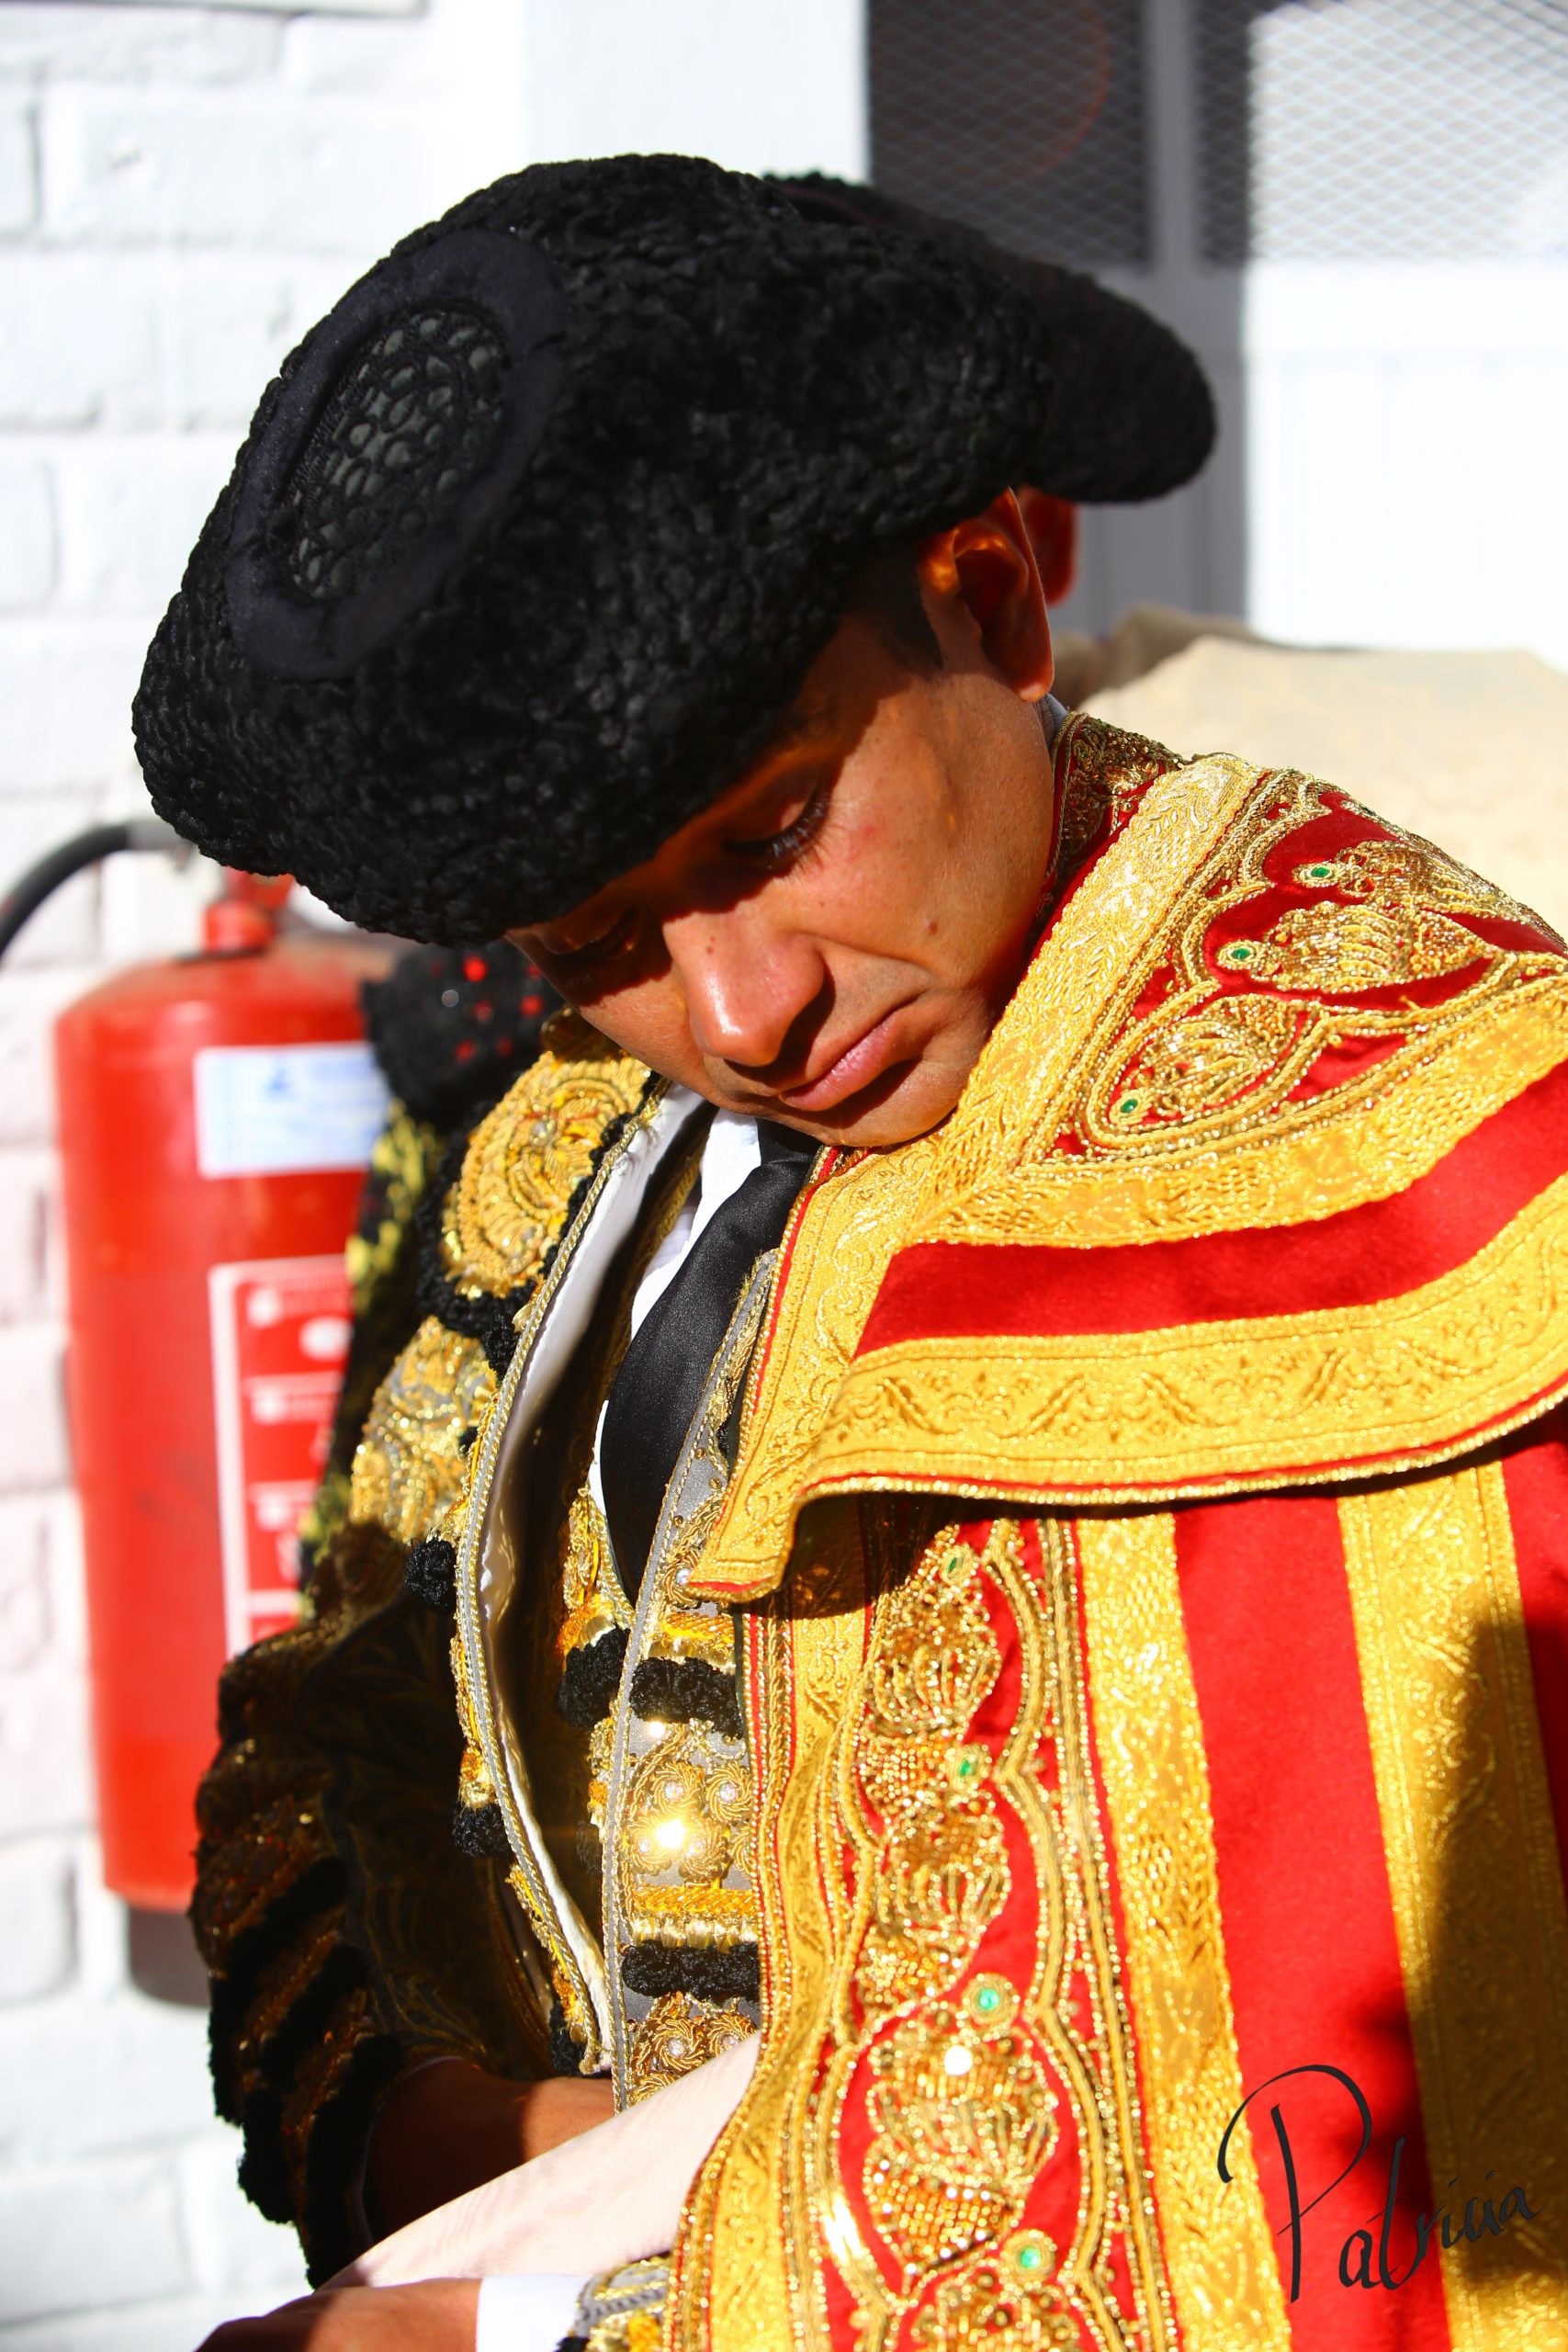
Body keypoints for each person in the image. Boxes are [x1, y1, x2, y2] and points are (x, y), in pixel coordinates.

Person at [135, 155, 1568, 2349]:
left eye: (776, 830)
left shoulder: (1392, 1136)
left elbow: (1239, 2168)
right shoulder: (570, 1136)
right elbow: (347, 1721)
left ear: (992, 595)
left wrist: (506, 2317)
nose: (740, 1010)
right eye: (596, 939)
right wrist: (469, 2139)